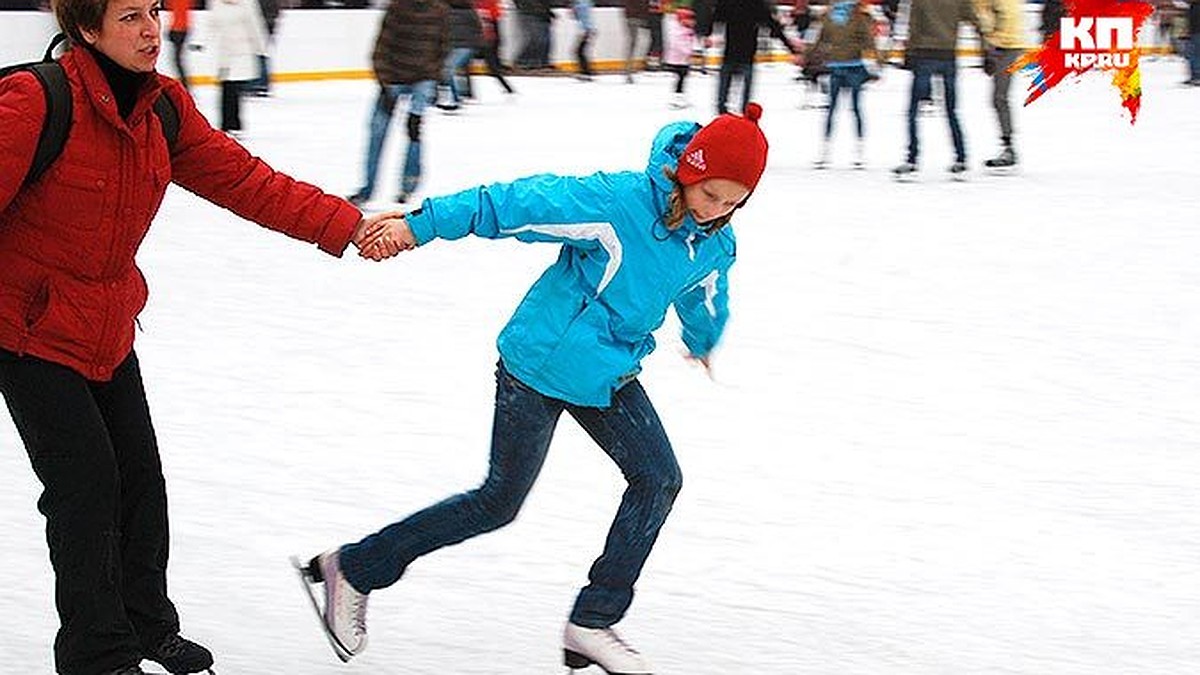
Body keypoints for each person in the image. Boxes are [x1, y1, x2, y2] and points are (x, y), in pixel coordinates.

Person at [0, 0, 405, 674]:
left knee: (139, 481)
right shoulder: (35, 103)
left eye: (154, 11)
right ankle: (96, 654)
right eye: (129, 17)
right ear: (87, 29)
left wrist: (347, 225)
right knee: (86, 485)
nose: (152, 29)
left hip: (104, 322)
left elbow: (246, 181)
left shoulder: (161, 108)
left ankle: (145, 624)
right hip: (25, 327)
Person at [296, 104, 771, 675]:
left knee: (659, 478)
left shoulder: (714, 242)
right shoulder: (619, 203)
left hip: (606, 373)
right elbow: (517, 203)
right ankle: (353, 568)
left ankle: (592, 622)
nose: (718, 210)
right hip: (538, 364)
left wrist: (703, 340)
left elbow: (704, 295)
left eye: (733, 201)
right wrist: (419, 225)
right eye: (712, 193)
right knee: (498, 501)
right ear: (690, 171)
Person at [347, 0, 450, 207]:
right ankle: (367, 190)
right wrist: (385, 85)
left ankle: (408, 186)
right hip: (393, 78)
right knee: (378, 131)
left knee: (414, 130)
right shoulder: (397, 8)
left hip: (423, 79)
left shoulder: (439, 11)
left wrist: (436, 80)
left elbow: (443, 49)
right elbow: (382, 47)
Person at [891, 0, 982, 179]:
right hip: (948, 56)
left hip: (924, 55)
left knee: (913, 110)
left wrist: (908, 53)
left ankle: (912, 159)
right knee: (951, 110)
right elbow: (975, 22)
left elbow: (914, 27)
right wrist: (985, 50)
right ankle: (961, 157)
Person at [698, 0, 801, 114]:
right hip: (743, 55)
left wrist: (706, 33)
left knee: (726, 95)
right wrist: (790, 48)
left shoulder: (746, 4)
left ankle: (726, 115)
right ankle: (735, 116)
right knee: (736, 95)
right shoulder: (754, 4)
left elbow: (714, 18)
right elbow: (773, 27)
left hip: (735, 55)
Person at [811, 0, 878, 169]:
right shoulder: (829, 17)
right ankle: (825, 151)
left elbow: (868, 40)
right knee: (832, 109)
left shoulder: (858, 17)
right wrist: (808, 57)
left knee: (855, 108)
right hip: (835, 68)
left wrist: (877, 60)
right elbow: (820, 40)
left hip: (854, 68)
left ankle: (859, 151)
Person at [210, 0, 269, 135]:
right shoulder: (216, 3)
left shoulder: (247, 3)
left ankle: (234, 124)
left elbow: (255, 25)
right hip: (223, 52)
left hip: (241, 51)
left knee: (233, 87)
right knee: (226, 87)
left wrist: (261, 48)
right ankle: (227, 123)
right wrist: (202, 42)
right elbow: (212, 24)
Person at [976, 0, 1021, 169]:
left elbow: (1008, 18)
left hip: (1007, 47)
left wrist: (992, 50)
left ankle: (1009, 147)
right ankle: (1007, 146)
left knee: (999, 97)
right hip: (998, 46)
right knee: (998, 98)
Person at [663, 0, 697, 107]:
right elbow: (678, 44)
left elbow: (691, 41)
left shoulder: (687, 30)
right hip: (677, 60)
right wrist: (689, 52)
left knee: (683, 78)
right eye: (689, 20)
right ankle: (677, 97)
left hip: (683, 59)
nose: (692, 22)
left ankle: (680, 96)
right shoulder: (678, 31)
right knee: (680, 78)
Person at [165, 0, 191, 92]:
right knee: (176, 59)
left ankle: (184, 84)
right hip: (181, 29)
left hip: (179, 30)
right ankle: (184, 83)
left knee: (177, 59)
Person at [573, 0, 596, 80]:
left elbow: (576, 14)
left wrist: (574, 7)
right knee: (580, 51)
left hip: (587, 30)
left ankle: (586, 72)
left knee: (579, 51)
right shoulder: (584, 3)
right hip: (587, 30)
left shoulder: (582, 4)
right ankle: (586, 71)